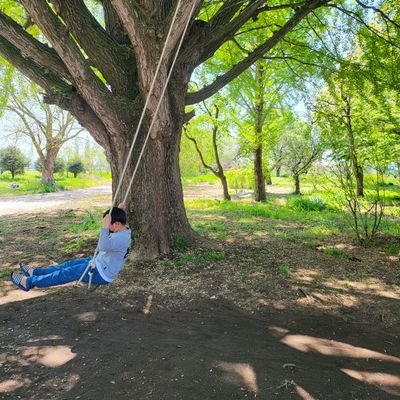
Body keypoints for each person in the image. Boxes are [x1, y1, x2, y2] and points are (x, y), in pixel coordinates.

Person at [10, 205, 132, 292]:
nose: (108, 227)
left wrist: (104, 227)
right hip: (98, 262)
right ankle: (35, 273)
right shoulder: (124, 229)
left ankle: (29, 282)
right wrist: (120, 210)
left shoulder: (121, 239)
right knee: (66, 265)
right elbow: (121, 223)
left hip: (101, 273)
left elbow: (102, 245)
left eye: (110, 224)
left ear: (116, 224)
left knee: (65, 273)